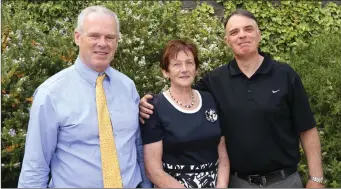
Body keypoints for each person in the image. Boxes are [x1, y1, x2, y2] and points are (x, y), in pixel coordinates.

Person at [139, 9, 324, 188]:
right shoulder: (215, 81)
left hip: (285, 182)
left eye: (248, 29)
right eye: (234, 32)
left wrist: (316, 178)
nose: (242, 35)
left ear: (259, 34)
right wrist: (148, 102)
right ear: (227, 40)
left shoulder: (285, 76)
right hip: (238, 183)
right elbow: (181, 94)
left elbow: (307, 129)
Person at [18, 5, 152, 188]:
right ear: (77, 37)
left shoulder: (128, 87)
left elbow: (136, 147)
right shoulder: (50, 94)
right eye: (94, 36)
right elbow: (35, 167)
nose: (103, 43)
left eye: (110, 37)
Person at [141, 39, 230, 188]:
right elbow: (153, 170)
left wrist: (221, 186)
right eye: (176, 64)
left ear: (196, 68)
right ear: (165, 72)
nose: (184, 69)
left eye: (189, 63)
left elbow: (223, 156)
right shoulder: (154, 107)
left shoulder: (210, 99)